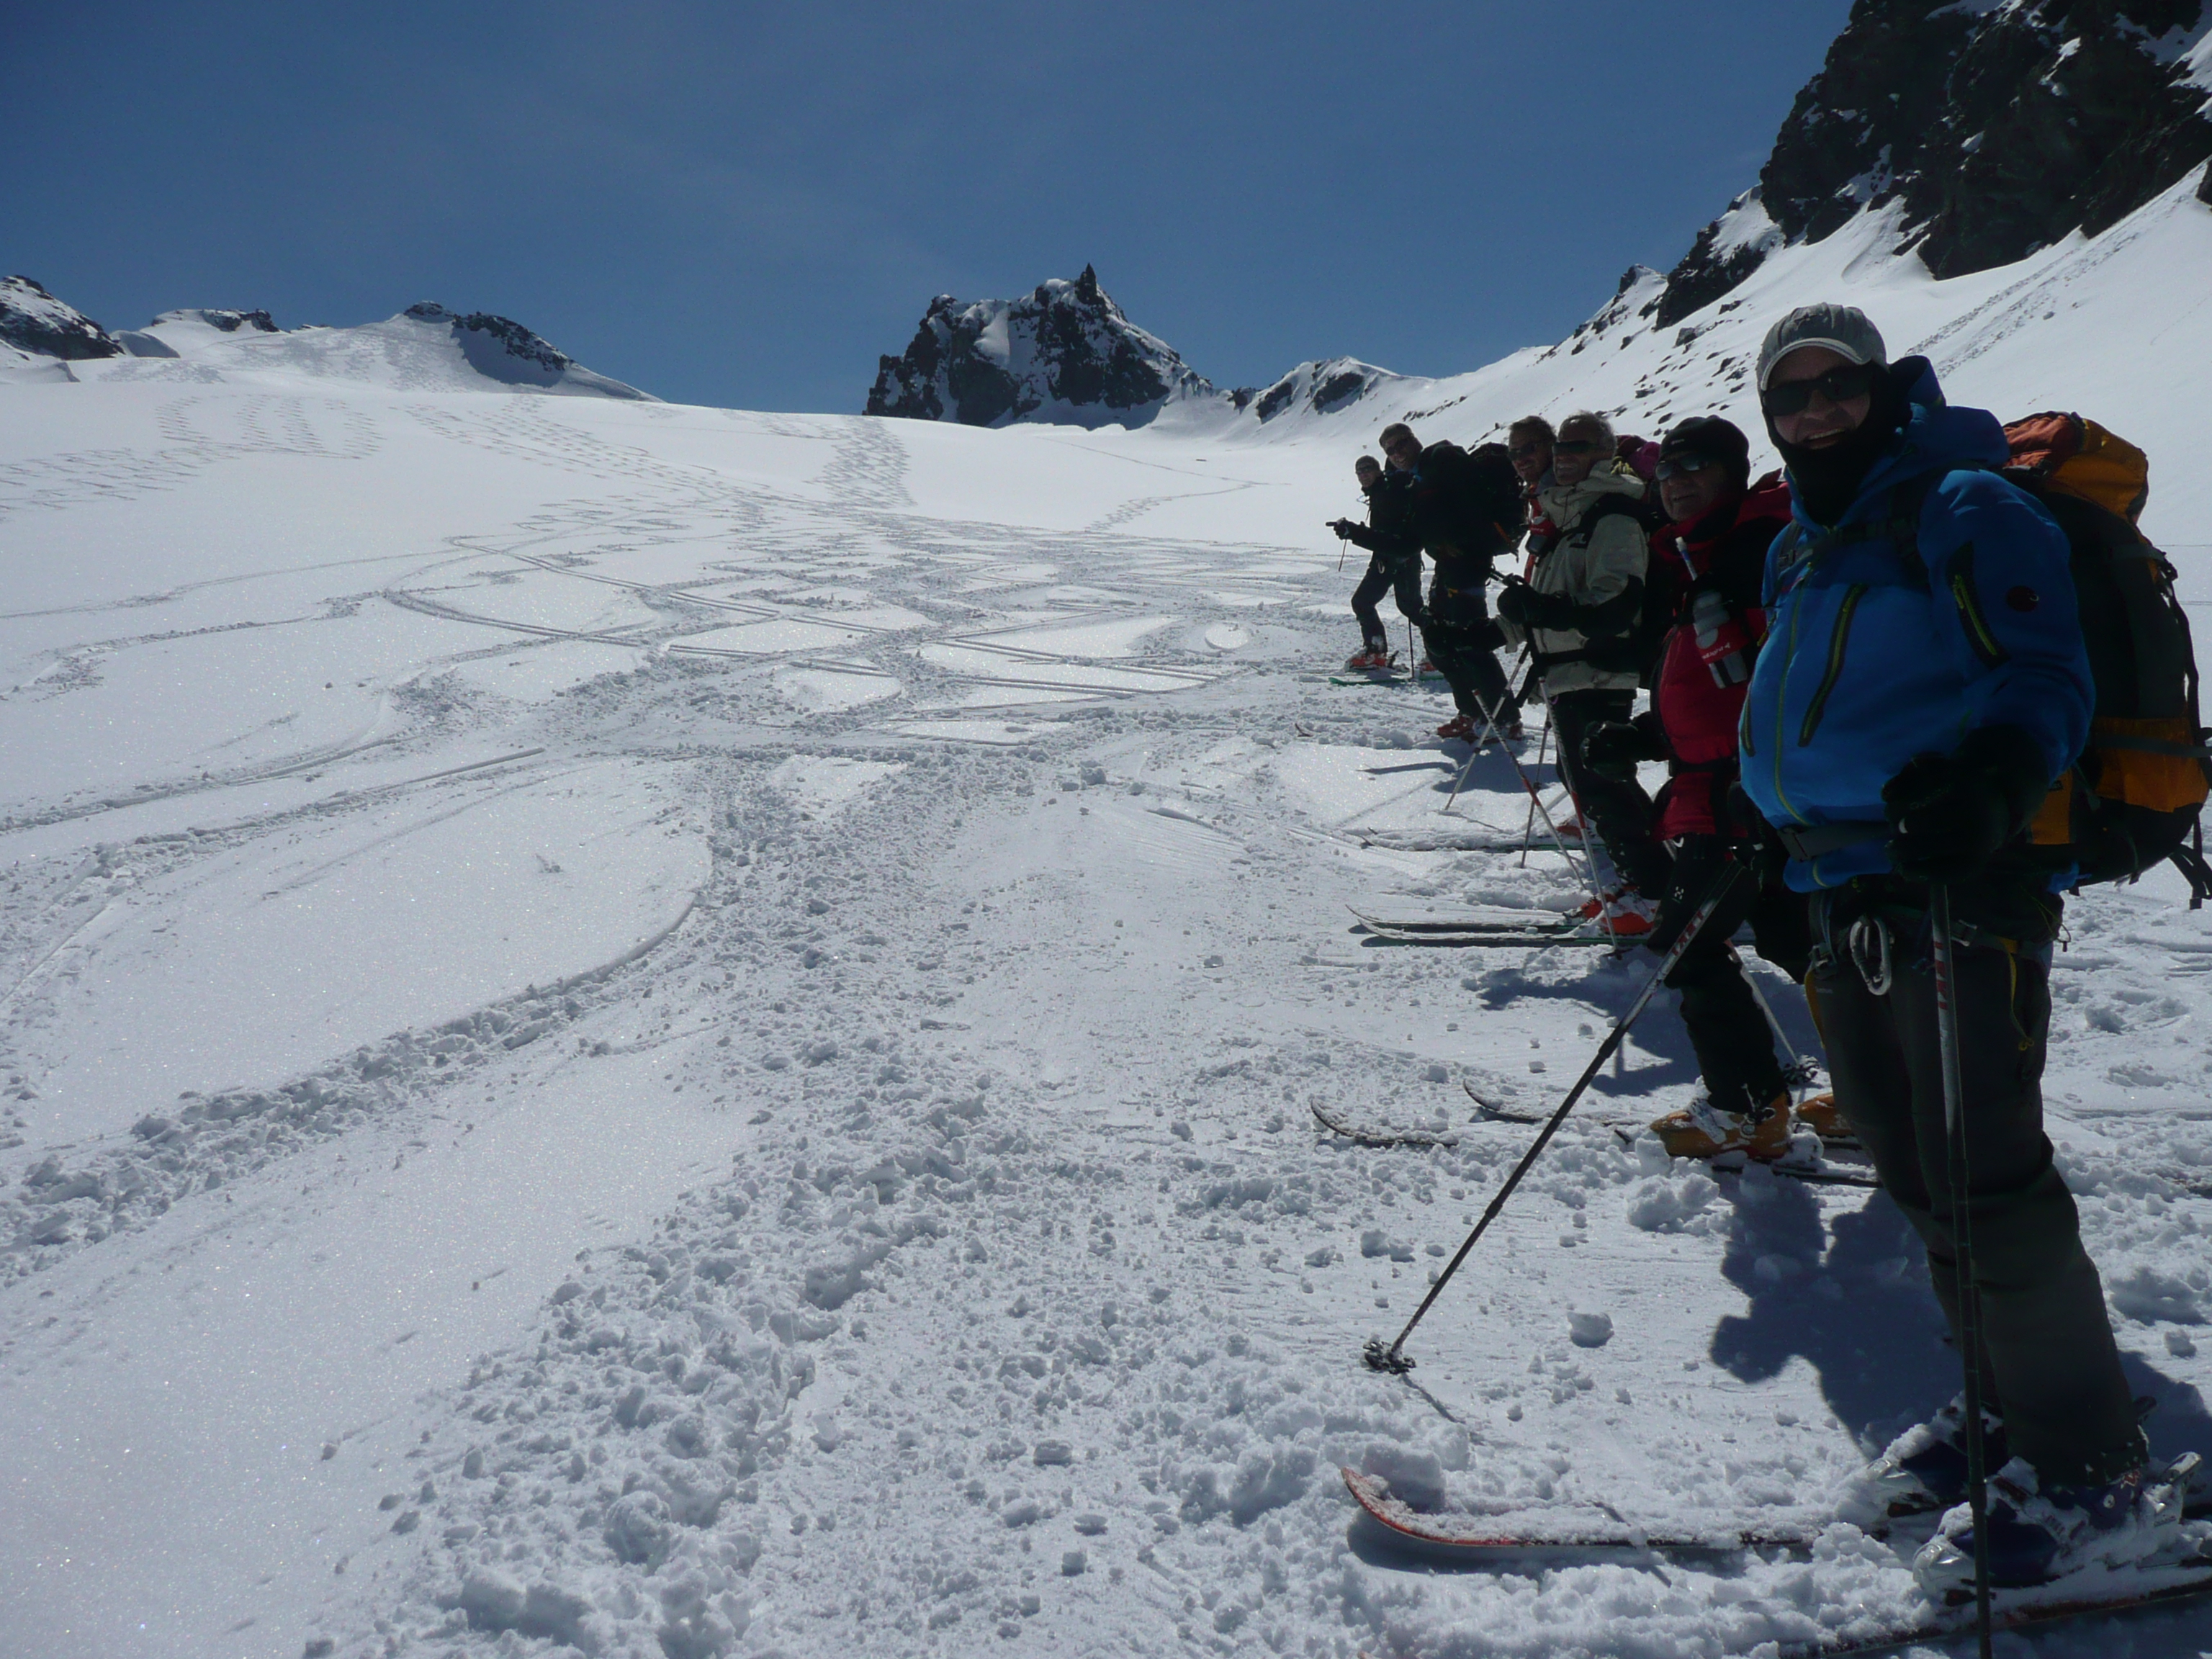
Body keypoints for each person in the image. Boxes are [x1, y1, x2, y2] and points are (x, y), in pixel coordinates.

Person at [1739, 303, 2167, 1591]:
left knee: (1985, 1170)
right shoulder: (1806, 542)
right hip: (1843, 880)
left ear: (1884, 385)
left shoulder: (1965, 500)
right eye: (1790, 395)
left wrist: (1988, 780)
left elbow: (2040, 670)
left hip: (1959, 882)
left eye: (1835, 386)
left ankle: (2092, 1468)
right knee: (1919, 1170)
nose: (1813, 412)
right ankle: (2005, 1408)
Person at [1575, 416, 1815, 1156]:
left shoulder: (1750, 553)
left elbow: (1784, 678)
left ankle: (1748, 1109)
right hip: (1744, 789)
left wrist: (1743, 775)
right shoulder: (1712, 554)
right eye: (1669, 470)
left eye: (1696, 467)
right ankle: (1889, 1097)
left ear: (1734, 473)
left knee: (1688, 942)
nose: (1677, 481)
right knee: (1799, 940)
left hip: (1742, 797)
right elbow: (1725, 689)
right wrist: (1649, 736)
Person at [1496, 411, 1663, 931]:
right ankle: (1655, 881)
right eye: (1560, 446)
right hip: (1570, 671)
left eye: (1576, 446)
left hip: (1597, 669)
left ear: (1603, 454)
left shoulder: (1610, 515)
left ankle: (1654, 893)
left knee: (1601, 784)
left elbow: (1615, 603)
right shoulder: (1568, 514)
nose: (1563, 454)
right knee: (1590, 781)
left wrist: (1546, 612)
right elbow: (1555, 599)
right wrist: (1499, 626)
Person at [1377, 422, 1519, 742]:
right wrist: (1358, 534)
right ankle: (1471, 712)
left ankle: (1505, 719)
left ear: (1414, 440)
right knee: (1441, 644)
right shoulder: (1418, 479)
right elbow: (1413, 538)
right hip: (1450, 568)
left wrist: (1458, 542)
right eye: (1390, 450)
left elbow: (1464, 509)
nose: (1397, 453)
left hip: (1467, 565)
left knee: (1469, 644)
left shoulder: (1442, 460)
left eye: (1400, 444)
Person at [1328, 454, 1425, 671]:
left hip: (1398, 559)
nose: (1363, 474)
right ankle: (1378, 652)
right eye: (1359, 471)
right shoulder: (1382, 492)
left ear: (1378, 470)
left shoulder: (1387, 494)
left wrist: (1353, 532)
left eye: (1367, 469)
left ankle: (1440, 653)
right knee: (1404, 607)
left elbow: (1388, 538)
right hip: (1393, 559)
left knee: (1408, 608)